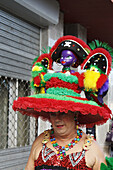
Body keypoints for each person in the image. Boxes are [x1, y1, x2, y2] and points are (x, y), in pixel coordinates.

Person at [13, 36, 113, 170]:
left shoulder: (92, 148)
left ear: (75, 114)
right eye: (53, 113)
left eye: (63, 112)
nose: (57, 118)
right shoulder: (40, 141)